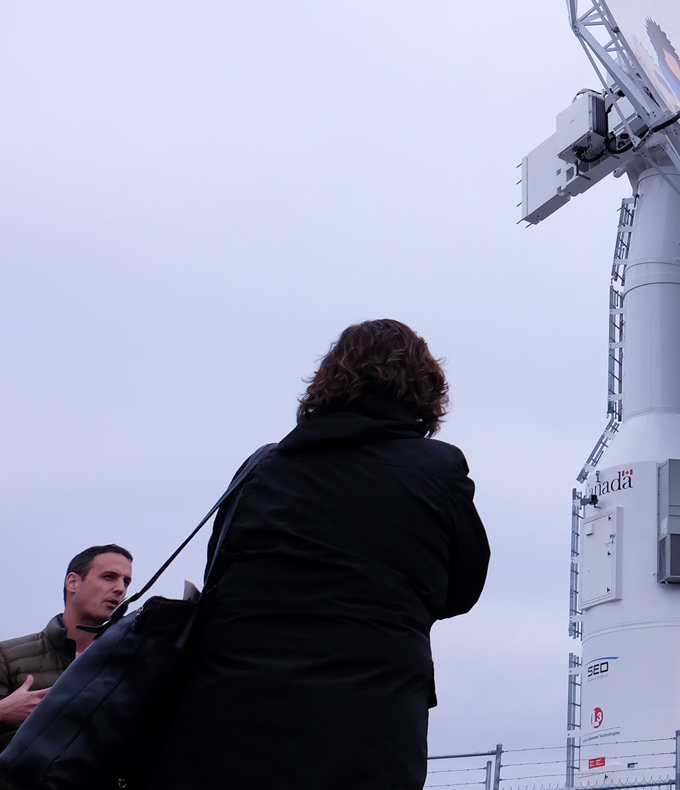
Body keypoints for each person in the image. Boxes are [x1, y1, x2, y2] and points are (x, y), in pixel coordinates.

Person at [152, 319, 490, 789]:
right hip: (370, 728)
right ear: (425, 390)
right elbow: (464, 588)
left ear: (328, 380)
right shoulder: (439, 469)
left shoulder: (263, 466)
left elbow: (219, 571)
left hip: (230, 718)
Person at [0, 545, 133, 751]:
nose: (120, 589)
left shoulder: (130, 664)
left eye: (126, 582)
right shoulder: (7, 655)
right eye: (109, 577)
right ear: (73, 582)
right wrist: (2, 712)